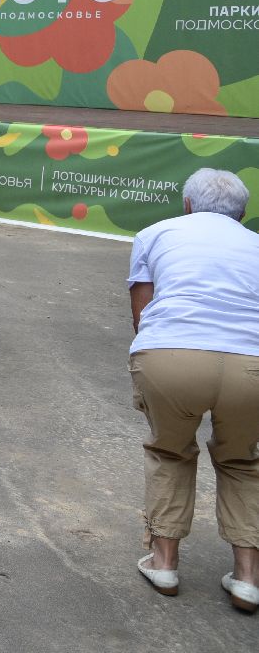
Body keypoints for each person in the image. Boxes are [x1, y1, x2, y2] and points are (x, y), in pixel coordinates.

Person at [127, 168, 259, 611]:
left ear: (187, 204)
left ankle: (163, 562)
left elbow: (141, 314)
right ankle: (247, 578)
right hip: (251, 363)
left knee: (170, 451)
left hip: (171, 354)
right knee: (243, 460)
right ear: (241, 214)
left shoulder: (154, 233)